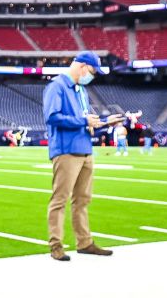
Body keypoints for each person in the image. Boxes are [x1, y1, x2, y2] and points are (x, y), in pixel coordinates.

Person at [43, 52, 120, 262]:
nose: (92, 76)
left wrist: (104, 122)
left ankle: (84, 242)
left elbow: (87, 120)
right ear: (83, 67)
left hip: (85, 148)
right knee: (60, 199)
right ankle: (56, 245)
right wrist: (84, 121)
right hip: (67, 150)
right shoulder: (57, 86)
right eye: (93, 71)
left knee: (82, 200)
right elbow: (52, 116)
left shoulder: (81, 90)